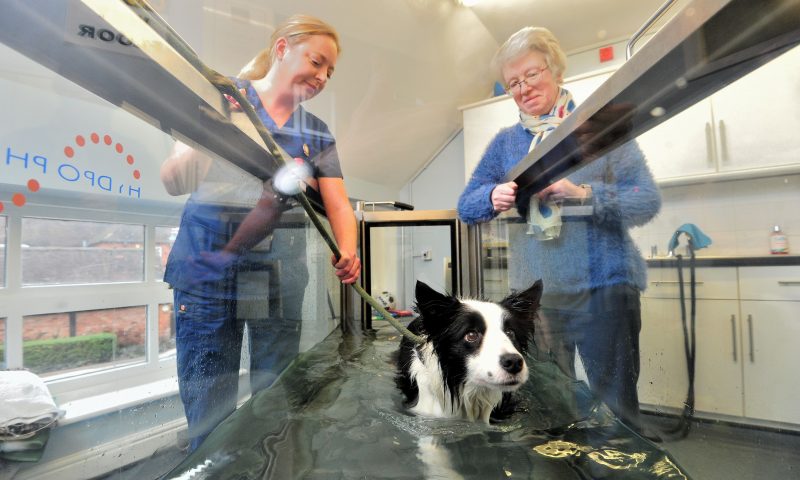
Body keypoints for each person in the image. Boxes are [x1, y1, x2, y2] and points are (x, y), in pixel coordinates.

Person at [160, 14, 360, 451]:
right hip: (207, 268)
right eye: (317, 60)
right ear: (283, 48)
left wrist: (349, 248)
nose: (323, 76)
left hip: (277, 269)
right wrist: (208, 131)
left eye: (330, 70)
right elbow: (174, 180)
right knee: (209, 403)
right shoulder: (223, 97)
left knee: (275, 396)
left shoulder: (316, 133)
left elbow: (339, 203)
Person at [457, 27, 661, 436]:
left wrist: (584, 193)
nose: (523, 87)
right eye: (514, 82)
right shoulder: (505, 144)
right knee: (547, 401)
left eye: (531, 75)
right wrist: (491, 195)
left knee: (615, 402)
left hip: (604, 288)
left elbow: (645, 199)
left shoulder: (598, 129)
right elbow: (467, 205)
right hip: (538, 299)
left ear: (555, 70)